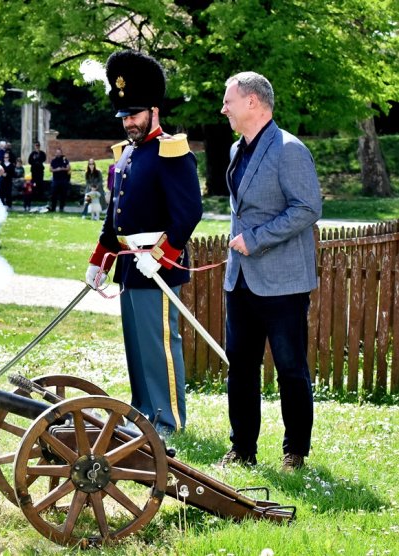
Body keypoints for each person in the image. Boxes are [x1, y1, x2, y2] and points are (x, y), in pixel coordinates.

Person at [84, 50, 203, 436]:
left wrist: (164, 256)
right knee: (136, 348)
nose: (128, 123)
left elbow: (188, 213)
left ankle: (168, 421)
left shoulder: (172, 151)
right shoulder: (126, 155)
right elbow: (114, 216)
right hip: (129, 265)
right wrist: (100, 258)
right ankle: (143, 415)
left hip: (156, 265)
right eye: (123, 117)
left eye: (133, 115)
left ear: (153, 110)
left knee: (160, 347)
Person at [217, 72, 322, 472]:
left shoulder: (290, 149)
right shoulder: (234, 150)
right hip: (240, 279)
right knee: (240, 368)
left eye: (229, 101)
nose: (223, 108)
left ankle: (295, 452)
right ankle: (242, 449)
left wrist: (256, 238)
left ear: (253, 103)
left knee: (291, 369)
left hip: (283, 283)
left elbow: (307, 208)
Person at [48, 147, 71, 212]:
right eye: (57, 152)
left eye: (59, 152)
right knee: (53, 194)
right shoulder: (54, 160)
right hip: (56, 180)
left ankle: (61, 208)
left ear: (61, 153)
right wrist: (56, 170)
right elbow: (50, 169)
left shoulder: (64, 160)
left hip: (63, 180)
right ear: (55, 153)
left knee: (63, 195)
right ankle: (53, 208)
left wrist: (62, 169)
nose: (58, 154)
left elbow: (68, 168)